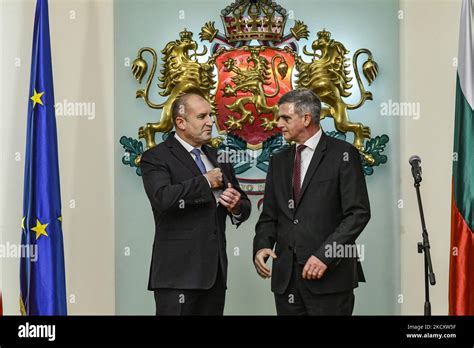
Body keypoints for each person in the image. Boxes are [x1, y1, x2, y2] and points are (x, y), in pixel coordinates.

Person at [253, 88, 370, 315]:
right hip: (286, 280)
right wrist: (262, 245)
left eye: (285, 117)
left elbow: (358, 213)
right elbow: (269, 216)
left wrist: (325, 255)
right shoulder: (278, 161)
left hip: (330, 277)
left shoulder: (344, 154)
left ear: (306, 118)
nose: (278, 123)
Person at [141, 92, 251, 315]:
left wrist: (236, 205)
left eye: (210, 115)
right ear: (181, 122)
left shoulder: (220, 157)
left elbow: (244, 205)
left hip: (215, 275)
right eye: (202, 117)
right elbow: (163, 198)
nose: (210, 122)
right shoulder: (156, 157)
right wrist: (204, 182)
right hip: (177, 277)